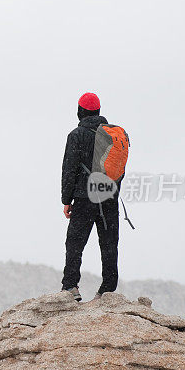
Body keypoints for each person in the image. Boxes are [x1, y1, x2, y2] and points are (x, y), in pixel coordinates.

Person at [60, 92, 122, 301]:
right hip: (109, 196)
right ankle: (107, 289)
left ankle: (70, 286)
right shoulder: (113, 135)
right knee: (109, 242)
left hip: (85, 196)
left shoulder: (77, 135)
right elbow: (118, 169)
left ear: (80, 112)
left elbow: (69, 169)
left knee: (75, 242)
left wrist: (66, 200)